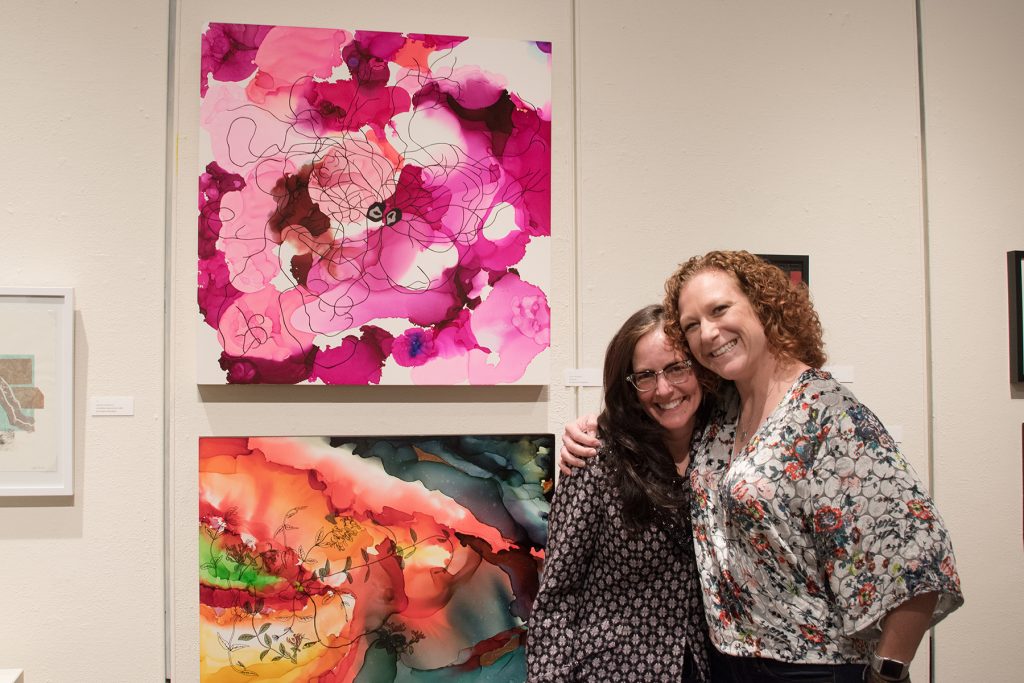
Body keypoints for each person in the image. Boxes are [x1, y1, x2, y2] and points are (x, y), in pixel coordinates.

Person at [561, 251, 963, 683]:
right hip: (724, 662)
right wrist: (594, 428)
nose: (709, 332)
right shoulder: (724, 412)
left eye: (719, 310)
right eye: (692, 324)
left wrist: (887, 673)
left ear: (763, 306)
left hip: (810, 667)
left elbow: (920, 557)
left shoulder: (826, 414)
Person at [528, 305, 712, 682]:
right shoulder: (597, 460)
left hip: (705, 667)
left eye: (677, 367)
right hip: (611, 669)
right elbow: (556, 597)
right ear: (628, 385)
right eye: (646, 376)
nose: (664, 389)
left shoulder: (724, 449)